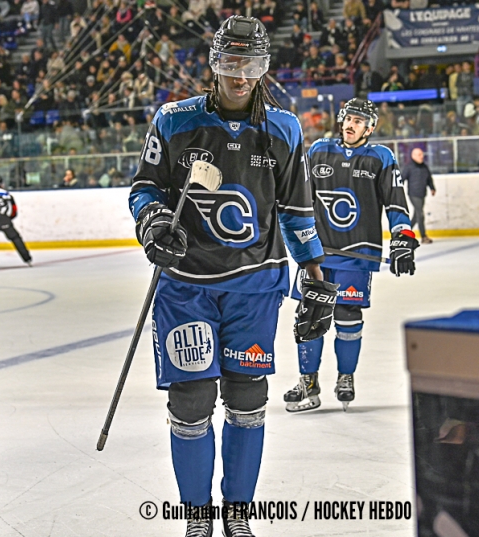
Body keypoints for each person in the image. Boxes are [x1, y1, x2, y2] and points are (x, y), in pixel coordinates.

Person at [127, 16, 333, 537]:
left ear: (265, 69)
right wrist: (152, 223)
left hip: (255, 287)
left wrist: (314, 272)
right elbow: (144, 189)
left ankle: (237, 515)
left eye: (252, 65)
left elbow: (296, 209)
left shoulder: (284, 128)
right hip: (185, 288)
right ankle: (198, 518)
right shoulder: (174, 120)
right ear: (214, 64)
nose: (241, 76)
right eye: (232, 63)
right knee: (191, 401)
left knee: (247, 399)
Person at [283, 98, 418, 413]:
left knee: (347, 318)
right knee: (309, 317)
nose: (350, 124)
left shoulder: (380, 157)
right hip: (315, 252)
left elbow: (396, 201)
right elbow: (296, 193)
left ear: (370, 128)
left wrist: (403, 235)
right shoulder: (318, 150)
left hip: (357, 254)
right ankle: (308, 380)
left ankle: (346, 377)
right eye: (347, 118)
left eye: (358, 121)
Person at [402, 148, 436, 244]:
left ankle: (404, 234)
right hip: (413, 194)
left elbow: (429, 178)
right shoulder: (409, 167)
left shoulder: (424, 167)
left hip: (422, 193)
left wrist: (432, 188)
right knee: (420, 214)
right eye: (419, 155)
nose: (422, 156)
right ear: (413, 156)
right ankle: (423, 236)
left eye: (422, 154)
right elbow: (402, 178)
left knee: (416, 216)